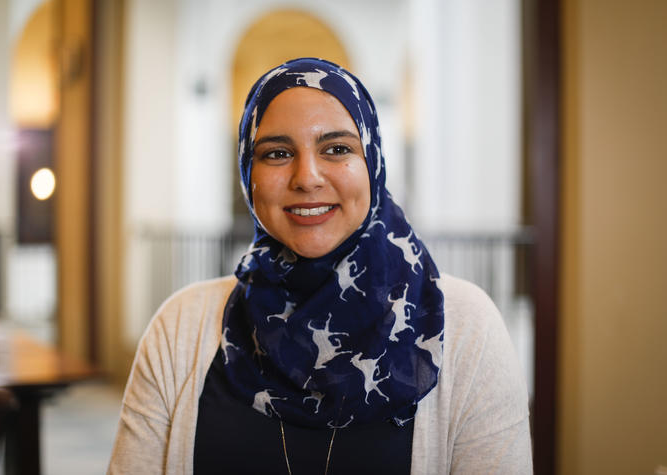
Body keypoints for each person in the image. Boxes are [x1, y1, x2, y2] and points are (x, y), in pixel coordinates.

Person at [108, 58, 532, 474]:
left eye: (337, 148)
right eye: (276, 153)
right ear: (247, 175)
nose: (307, 177)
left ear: (373, 164)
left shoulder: (467, 329)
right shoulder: (178, 330)